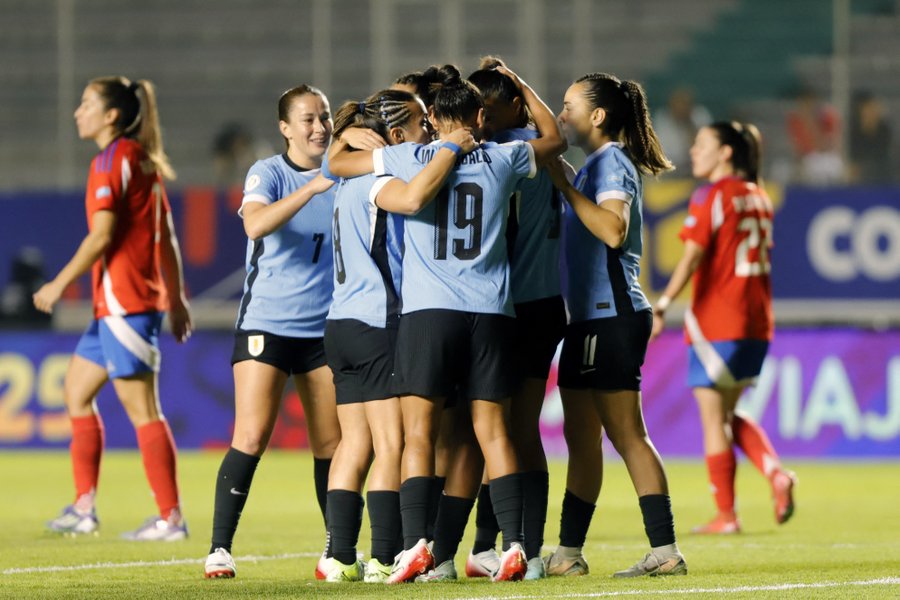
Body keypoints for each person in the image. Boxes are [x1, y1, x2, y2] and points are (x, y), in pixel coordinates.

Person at [331, 66, 565, 584]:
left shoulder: (409, 157)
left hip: (429, 314)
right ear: (481, 116)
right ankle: (514, 546)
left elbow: (336, 166)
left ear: (433, 119)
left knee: (419, 435)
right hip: (492, 314)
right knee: (493, 432)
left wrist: (348, 134)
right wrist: (523, 86)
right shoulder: (505, 157)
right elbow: (555, 140)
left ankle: (417, 546)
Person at [317, 89, 477, 583]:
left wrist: (342, 142)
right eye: (421, 124)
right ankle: (385, 556)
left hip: (341, 323)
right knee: (391, 444)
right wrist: (450, 148)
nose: (428, 130)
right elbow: (410, 199)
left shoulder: (344, 179)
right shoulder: (377, 179)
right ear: (395, 134)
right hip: (378, 321)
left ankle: (339, 556)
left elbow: (331, 165)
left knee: (353, 444)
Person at [34, 76, 192, 541]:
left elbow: (101, 236)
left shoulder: (111, 161)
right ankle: (84, 508)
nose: (77, 112)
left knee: (144, 410)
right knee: (75, 393)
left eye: (86, 104)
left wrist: (58, 284)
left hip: (126, 304)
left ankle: (171, 518)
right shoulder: (140, 158)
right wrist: (176, 297)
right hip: (119, 305)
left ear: (111, 116)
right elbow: (167, 236)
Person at [542, 72, 687, 578]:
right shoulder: (595, 165)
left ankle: (666, 550)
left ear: (598, 115)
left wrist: (564, 185)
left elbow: (612, 229)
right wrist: (568, 179)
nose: (562, 115)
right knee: (582, 441)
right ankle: (568, 554)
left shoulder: (611, 163)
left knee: (627, 434)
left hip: (611, 316)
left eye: (569, 106)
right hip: (590, 321)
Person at [204, 85, 345, 579]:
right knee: (251, 435)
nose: (319, 127)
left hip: (323, 329)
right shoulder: (269, 173)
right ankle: (219, 548)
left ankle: (336, 550)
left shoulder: (344, 176)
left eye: (324, 117)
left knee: (331, 444)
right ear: (285, 128)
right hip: (267, 323)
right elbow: (255, 225)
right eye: (308, 119)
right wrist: (312, 187)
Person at [650, 121, 797, 535]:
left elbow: (692, 256)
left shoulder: (713, 195)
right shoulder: (758, 195)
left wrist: (662, 304)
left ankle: (727, 515)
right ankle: (776, 474)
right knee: (729, 414)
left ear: (726, 152)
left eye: (702, 144)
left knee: (714, 420)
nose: (693, 151)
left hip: (718, 321)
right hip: (756, 322)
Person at [463, 57, 566, 581]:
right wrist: (522, 85)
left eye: (486, 107)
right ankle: (502, 546)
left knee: (510, 432)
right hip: (536, 303)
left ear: (512, 106)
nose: (478, 117)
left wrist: (520, 85)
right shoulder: (534, 149)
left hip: (515, 306)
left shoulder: (503, 153)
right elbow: (556, 139)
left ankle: (519, 546)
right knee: (506, 433)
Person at [785, 87, 844, 185]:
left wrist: (812, 123)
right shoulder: (795, 120)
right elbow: (798, 146)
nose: (808, 106)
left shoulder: (824, 117)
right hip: (808, 158)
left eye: (810, 102)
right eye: (805, 103)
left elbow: (829, 141)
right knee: (811, 164)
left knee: (835, 164)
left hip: (824, 156)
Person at [651, 87, 711, 176]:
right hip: (671, 169)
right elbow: (663, 153)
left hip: (696, 166)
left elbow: (705, 148)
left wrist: (689, 124)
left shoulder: (700, 115)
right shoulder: (662, 118)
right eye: (678, 104)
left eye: (685, 104)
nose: (681, 108)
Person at [848, 91, 893, 184]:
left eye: (873, 108)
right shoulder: (854, 131)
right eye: (867, 108)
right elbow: (854, 159)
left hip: (883, 170)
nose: (871, 111)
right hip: (862, 172)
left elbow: (886, 152)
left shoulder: (884, 129)